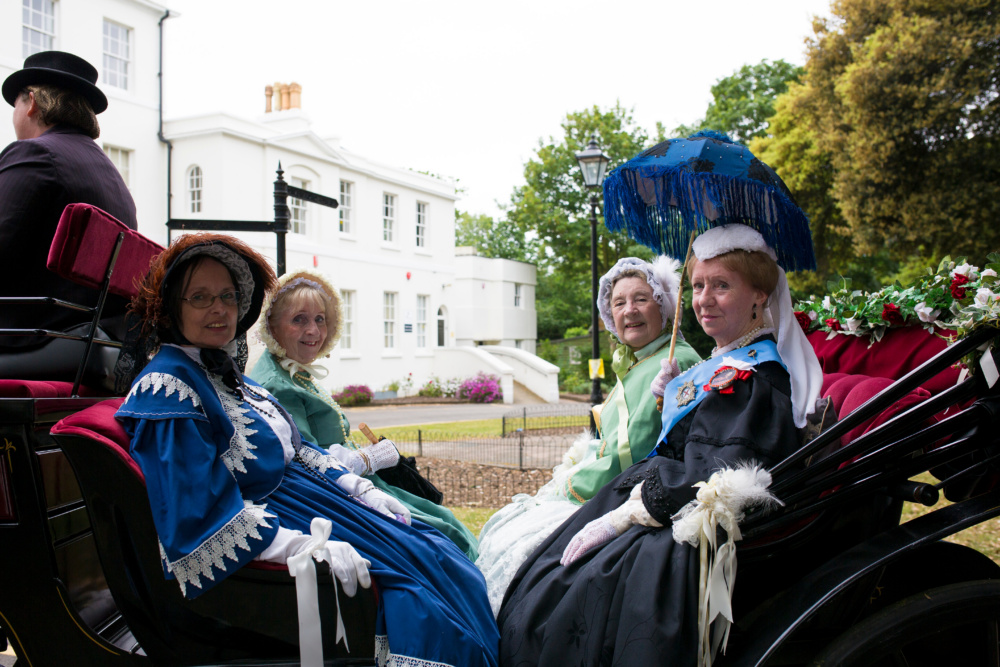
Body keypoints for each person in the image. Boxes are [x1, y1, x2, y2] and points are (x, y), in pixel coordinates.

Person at [114, 234, 498, 667]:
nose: (218, 309)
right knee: (418, 596)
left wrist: (358, 486)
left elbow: (298, 451)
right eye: (199, 297)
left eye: (227, 295)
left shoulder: (224, 375)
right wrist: (298, 547)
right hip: (279, 520)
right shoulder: (168, 389)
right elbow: (195, 517)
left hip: (316, 498)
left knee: (440, 552)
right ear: (171, 308)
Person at [497, 224, 823, 666]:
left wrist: (630, 512)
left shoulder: (751, 377)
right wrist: (671, 399)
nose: (704, 299)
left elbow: (717, 467)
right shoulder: (724, 362)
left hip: (689, 522)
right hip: (665, 495)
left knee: (570, 588)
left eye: (722, 286)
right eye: (699, 285)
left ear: (760, 294)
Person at [476, 256, 701, 614]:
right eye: (619, 302)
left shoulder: (673, 362)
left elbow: (634, 453)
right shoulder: (641, 361)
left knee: (517, 545)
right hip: (611, 484)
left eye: (641, 299)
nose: (630, 310)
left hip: (626, 495)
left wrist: (568, 482)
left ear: (663, 304)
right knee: (502, 525)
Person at [249, 268, 480, 559]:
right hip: (335, 498)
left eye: (319, 319)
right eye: (299, 320)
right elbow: (305, 465)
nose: (313, 330)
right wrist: (369, 459)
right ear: (272, 326)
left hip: (356, 485)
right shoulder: (278, 385)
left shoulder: (294, 372)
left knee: (444, 519)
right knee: (443, 535)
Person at [0, 51, 138, 387]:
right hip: (91, 336)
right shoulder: (110, 174)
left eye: (15, 104)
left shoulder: (35, 152)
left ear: (31, 102)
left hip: (34, 334)